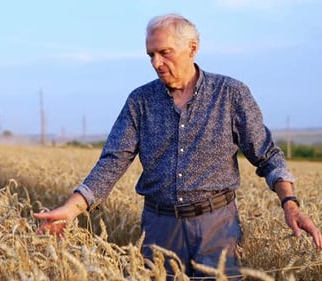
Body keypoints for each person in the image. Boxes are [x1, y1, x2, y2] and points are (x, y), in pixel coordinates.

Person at [33, 13, 322, 279]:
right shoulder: (140, 101)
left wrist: (290, 204)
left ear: (192, 48)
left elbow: (267, 155)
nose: (156, 63)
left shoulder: (230, 94)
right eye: (151, 55)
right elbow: (112, 161)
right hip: (160, 228)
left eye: (164, 53)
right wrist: (70, 210)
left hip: (217, 227)